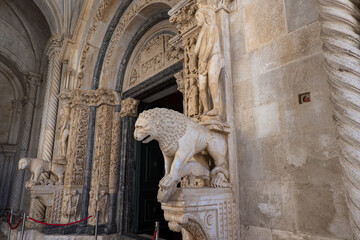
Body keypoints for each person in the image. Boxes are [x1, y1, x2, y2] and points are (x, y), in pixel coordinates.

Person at [194, 7, 224, 117]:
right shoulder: (202, 31)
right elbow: (196, 51)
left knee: (212, 80)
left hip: (213, 57)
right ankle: (206, 109)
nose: (196, 19)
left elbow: (210, 45)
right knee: (201, 87)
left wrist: (204, 60)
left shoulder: (212, 27)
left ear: (204, 16)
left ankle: (217, 108)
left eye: (198, 16)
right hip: (202, 61)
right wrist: (201, 33)